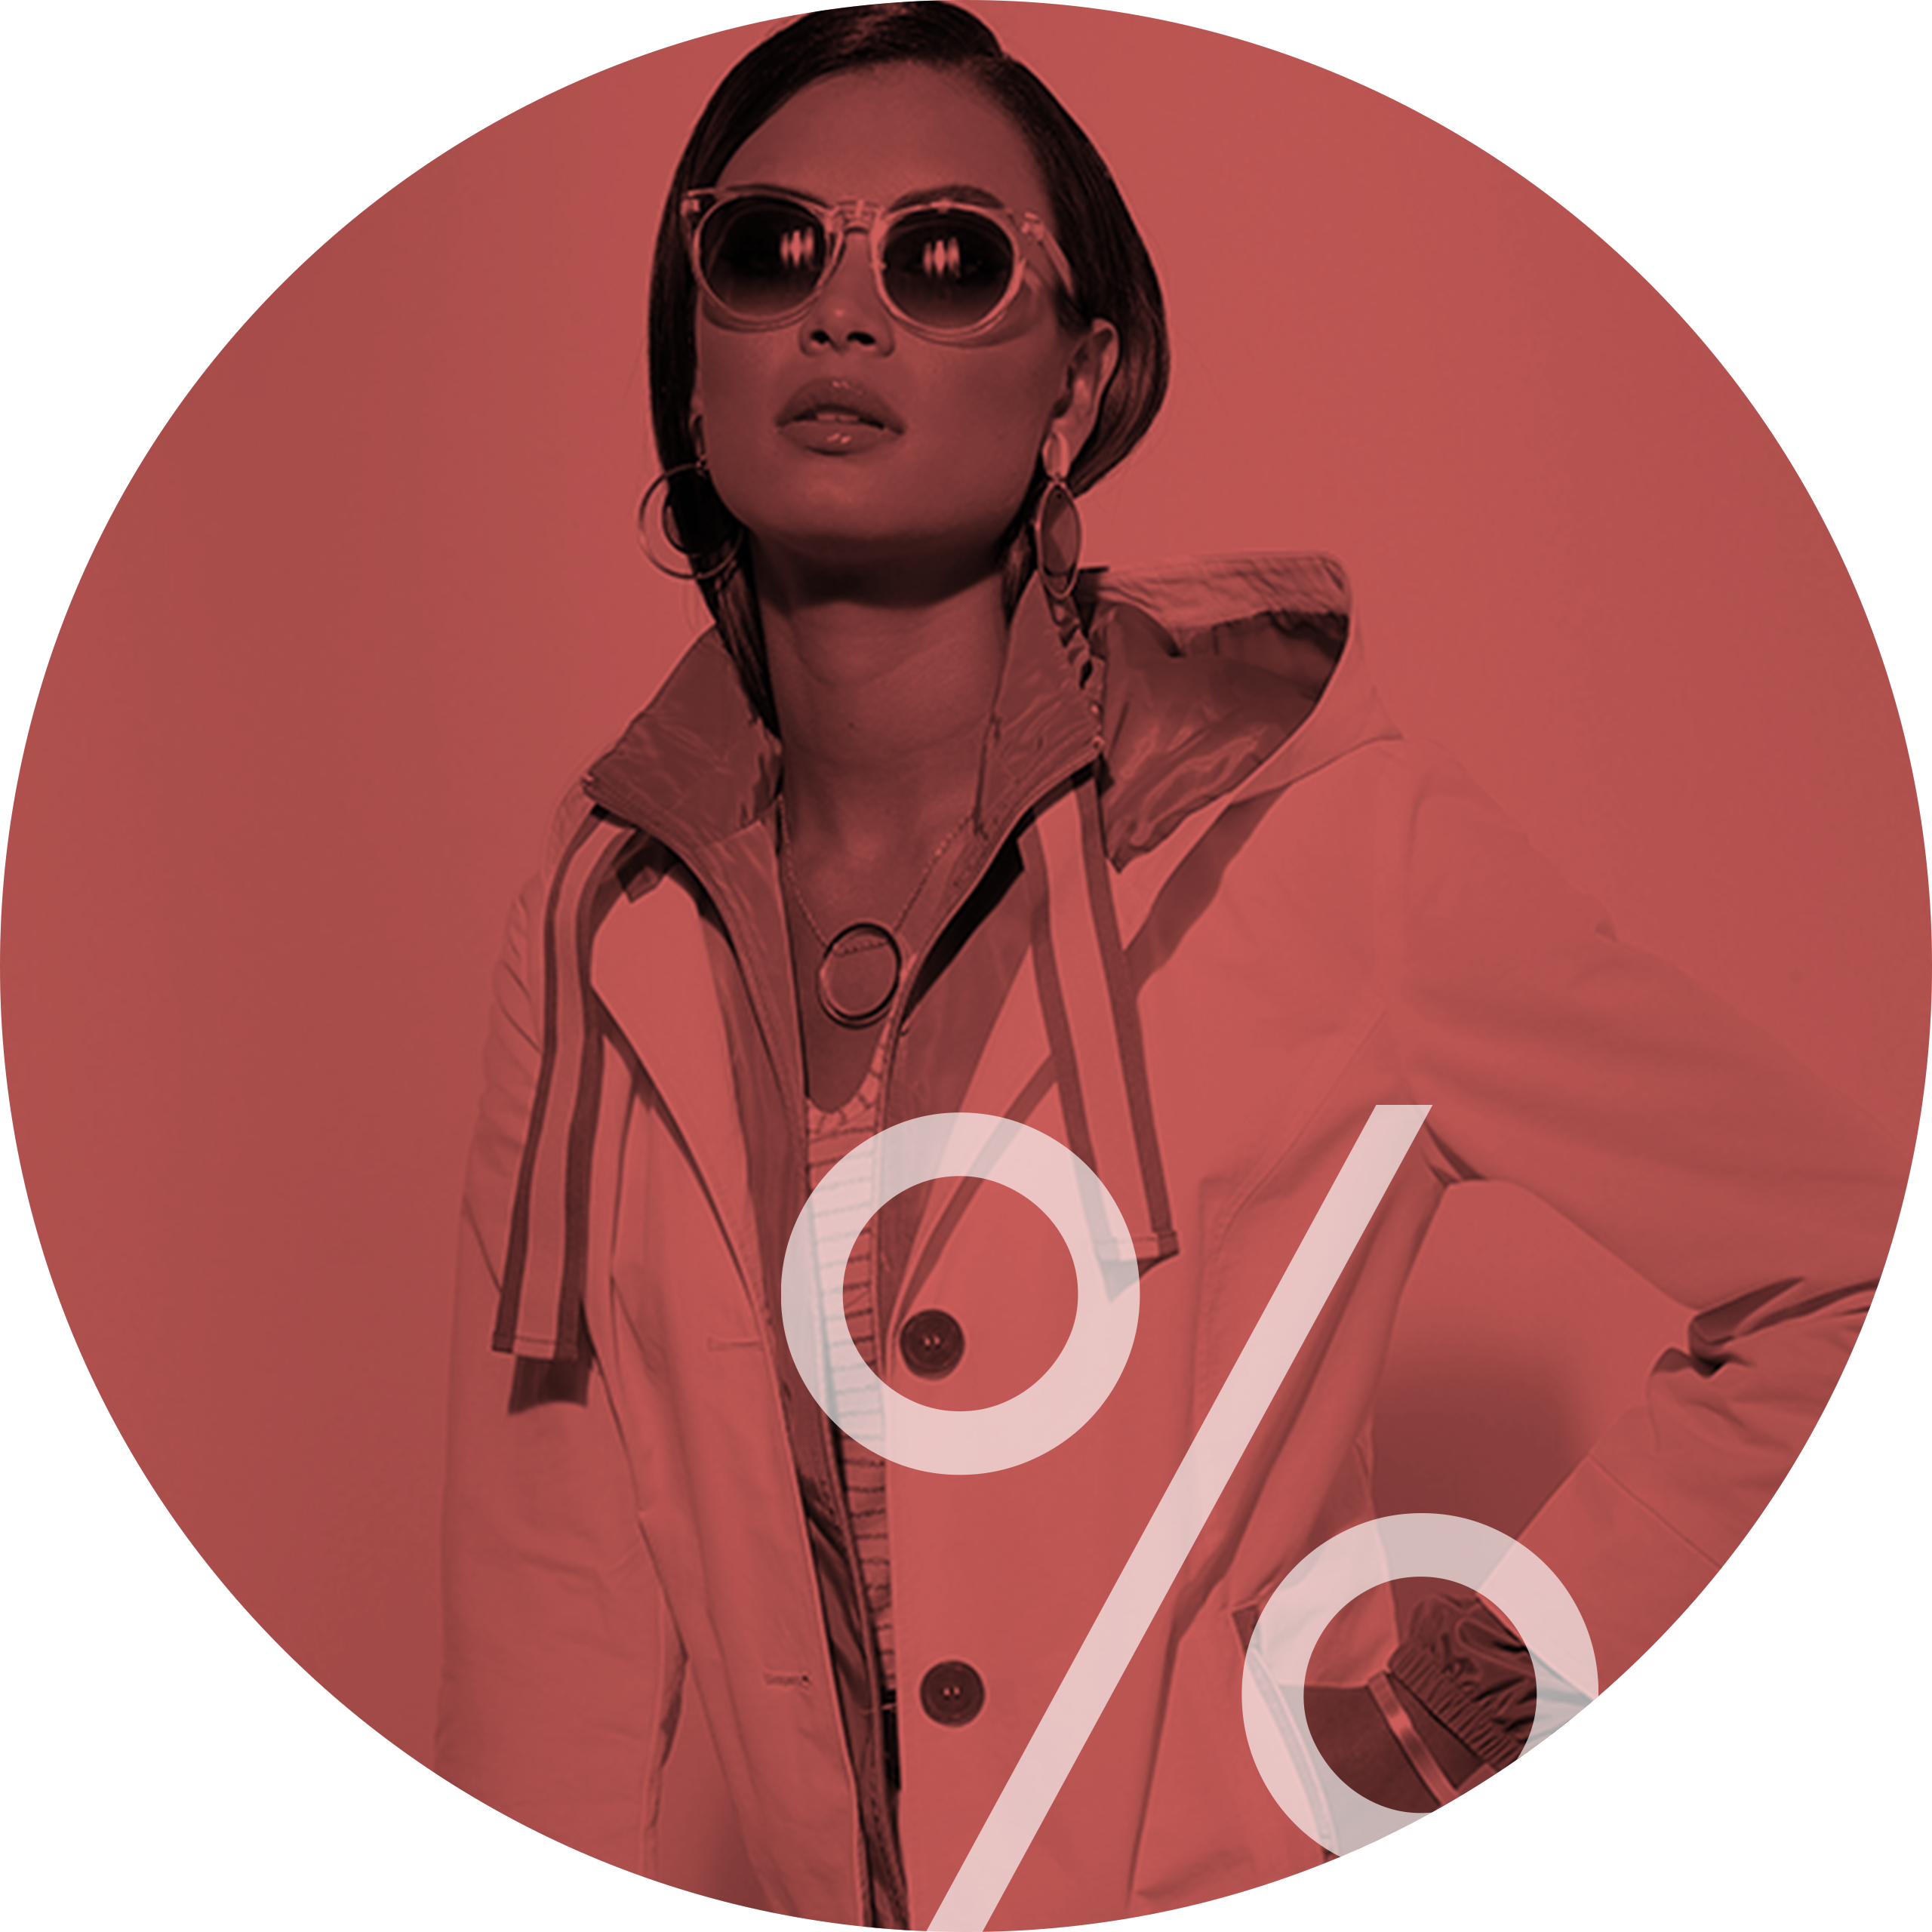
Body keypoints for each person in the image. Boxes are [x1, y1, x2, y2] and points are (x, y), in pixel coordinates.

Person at [435, 7, 1905, 1927]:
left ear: (1079, 378)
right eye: (767, 249)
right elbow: (547, 1595)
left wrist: (1465, 1705)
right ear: (691, 364)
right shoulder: (600, 912)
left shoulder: (1321, 838)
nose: (842, 312)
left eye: (945, 257)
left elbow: (1849, 1272)